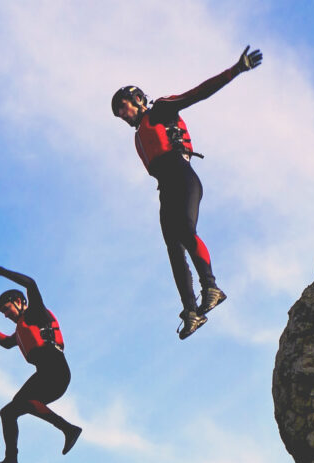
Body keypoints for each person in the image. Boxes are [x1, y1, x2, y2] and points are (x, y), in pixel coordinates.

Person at [111, 46, 262, 339]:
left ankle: (211, 287)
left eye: (123, 107)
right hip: (166, 186)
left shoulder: (159, 110)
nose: (122, 115)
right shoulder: (138, 133)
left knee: (183, 229)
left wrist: (236, 69)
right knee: (172, 246)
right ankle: (192, 311)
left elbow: (197, 93)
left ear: (137, 99)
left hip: (182, 177)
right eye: (119, 113)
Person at [0, 258, 82, 463]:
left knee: (22, 402)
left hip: (55, 368)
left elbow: (31, 284)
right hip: (45, 372)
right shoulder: (20, 330)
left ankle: (68, 429)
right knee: (8, 412)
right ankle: (12, 461)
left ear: (19, 301)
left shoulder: (36, 313)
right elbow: (6, 343)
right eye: (3, 314)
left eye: (7, 309)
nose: (6, 315)